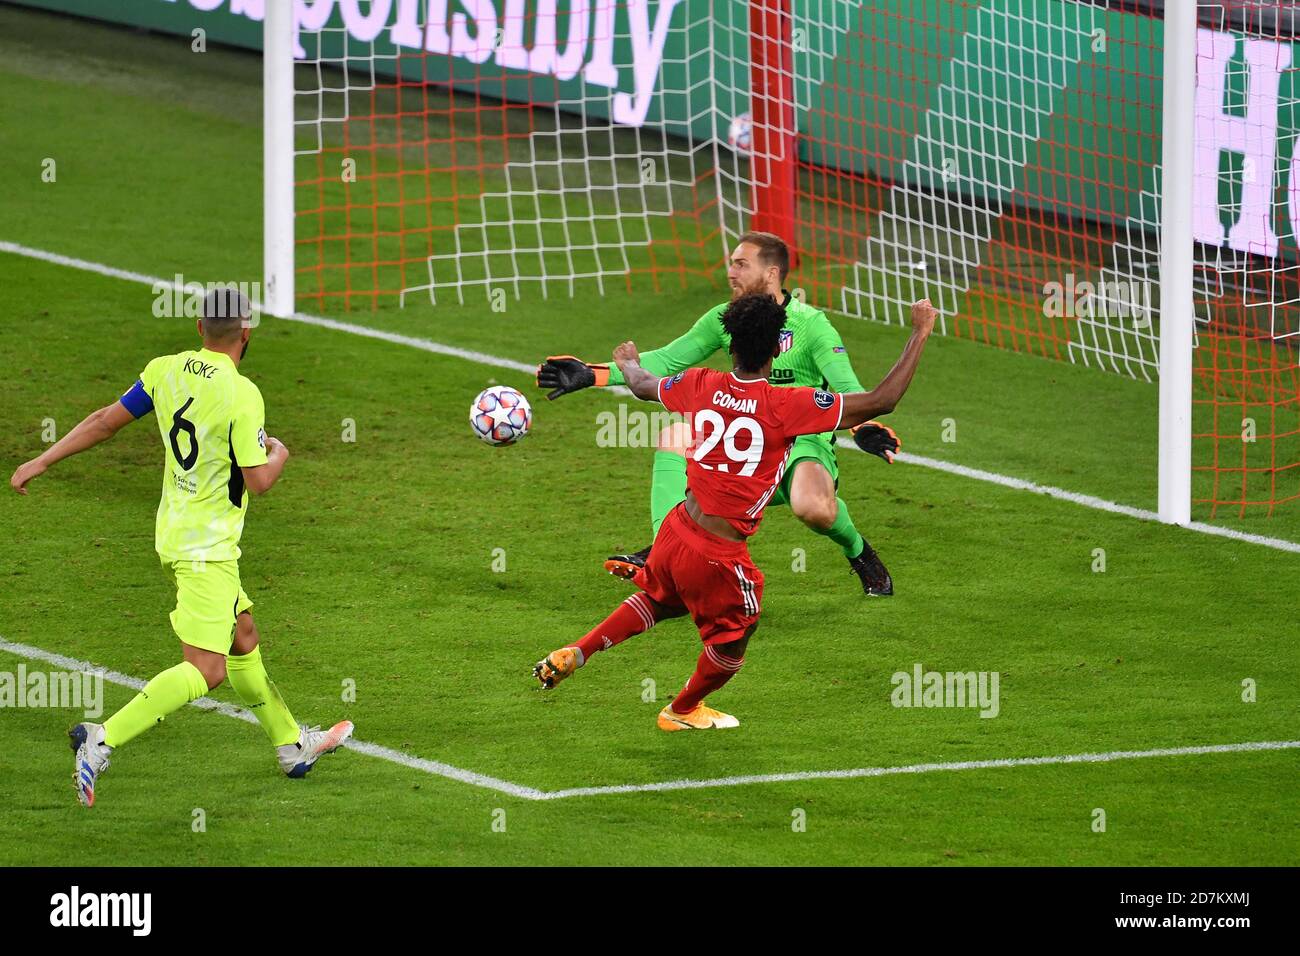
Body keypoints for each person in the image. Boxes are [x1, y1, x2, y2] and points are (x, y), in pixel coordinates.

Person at [9, 288, 352, 806]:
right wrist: (280, 454)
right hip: (206, 549)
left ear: (198, 328)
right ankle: (101, 739)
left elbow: (106, 420)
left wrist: (42, 460)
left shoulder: (165, 369)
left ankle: (290, 746)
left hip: (177, 531)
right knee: (207, 670)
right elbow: (258, 481)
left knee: (243, 634)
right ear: (246, 332)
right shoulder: (242, 393)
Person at [533, 293, 936, 730]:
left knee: (664, 598)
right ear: (778, 348)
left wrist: (627, 360)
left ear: (731, 346)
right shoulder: (789, 405)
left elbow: (644, 385)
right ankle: (682, 710)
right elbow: (883, 399)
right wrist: (920, 331)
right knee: (737, 636)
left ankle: (579, 650)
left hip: (676, 529)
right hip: (719, 555)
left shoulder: (701, 382)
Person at [537, 231, 902, 597]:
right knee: (674, 436)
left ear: (772, 273)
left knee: (813, 510)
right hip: (740, 433)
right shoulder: (725, 318)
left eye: (742, 264)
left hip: (800, 438)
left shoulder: (811, 325)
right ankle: (664, 554)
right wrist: (593, 373)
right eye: (731, 263)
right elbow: (666, 359)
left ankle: (859, 552)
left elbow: (847, 386)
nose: (731, 272)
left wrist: (863, 427)